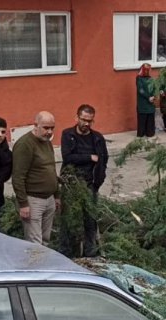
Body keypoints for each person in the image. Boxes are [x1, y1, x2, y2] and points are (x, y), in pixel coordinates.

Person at [60, 104, 109, 257]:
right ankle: (67, 252)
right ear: (77, 118)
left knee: (90, 220)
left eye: (90, 121)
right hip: (72, 184)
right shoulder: (68, 135)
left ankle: (91, 251)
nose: (86, 124)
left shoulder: (97, 138)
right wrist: (89, 157)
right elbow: (68, 157)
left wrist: (97, 182)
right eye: (84, 120)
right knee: (69, 219)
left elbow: (103, 160)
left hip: (90, 184)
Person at [12, 111, 61, 245]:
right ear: (35, 125)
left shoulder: (47, 142)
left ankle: (44, 265)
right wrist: (23, 204)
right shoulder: (25, 145)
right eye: (46, 128)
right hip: (33, 201)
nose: (49, 132)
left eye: (52, 128)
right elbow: (18, 176)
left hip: (49, 199)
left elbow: (51, 169)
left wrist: (56, 195)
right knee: (35, 243)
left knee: (45, 240)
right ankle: (35, 266)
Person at [135, 63, 156, 138]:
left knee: (150, 119)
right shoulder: (139, 78)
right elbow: (140, 90)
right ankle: (141, 134)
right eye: (146, 70)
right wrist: (148, 97)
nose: (148, 71)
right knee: (142, 119)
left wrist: (153, 95)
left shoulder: (151, 78)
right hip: (143, 103)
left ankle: (150, 133)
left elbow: (154, 88)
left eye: (149, 70)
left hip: (151, 104)